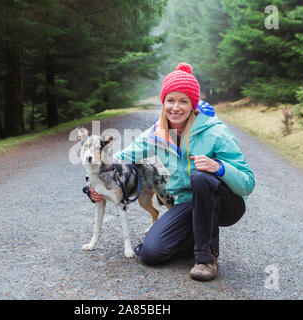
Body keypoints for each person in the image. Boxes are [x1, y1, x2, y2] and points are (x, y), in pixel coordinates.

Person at [86, 62, 255, 281]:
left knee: (201, 177)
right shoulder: (157, 133)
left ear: (193, 104)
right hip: (188, 204)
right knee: (151, 253)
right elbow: (120, 158)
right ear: (163, 102)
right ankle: (192, 238)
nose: (176, 107)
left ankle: (206, 259)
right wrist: (91, 184)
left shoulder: (215, 132)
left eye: (183, 101)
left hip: (225, 203)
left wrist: (220, 168)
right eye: (170, 100)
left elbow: (248, 183)